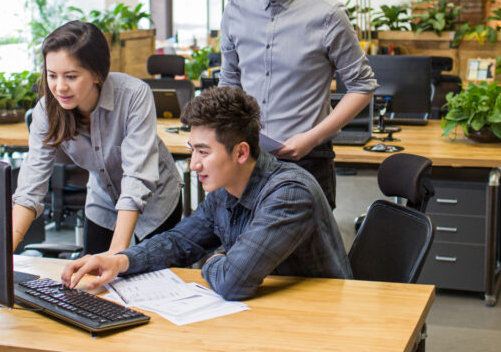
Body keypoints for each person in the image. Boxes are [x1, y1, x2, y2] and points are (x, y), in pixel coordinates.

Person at [60, 86, 351, 301]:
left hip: (319, 317)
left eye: (203, 152)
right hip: (269, 310)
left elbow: (233, 282)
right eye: (192, 150)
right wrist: (121, 260)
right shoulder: (225, 190)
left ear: (241, 152)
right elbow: (179, 241)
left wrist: (214, 257)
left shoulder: (289, 194)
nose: (193, 164)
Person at [219, 0, 378, 208]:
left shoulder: (327, 14)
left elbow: (362, 86)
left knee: (304, 255)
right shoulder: (235, 10)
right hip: (246, 158)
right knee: (244, 251)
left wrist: (313, 138)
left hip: (307, 160)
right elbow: (229, 79)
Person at [12, 20, 182, 255]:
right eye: (52, 75)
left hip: (155, 198)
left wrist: (115, 256)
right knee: (93, 279)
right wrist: (6, 250)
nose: (60, 87)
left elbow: (136, 178)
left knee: (156, 277)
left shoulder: (133, 95)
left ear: (96, 74)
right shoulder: (47, 110)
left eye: (71, 76)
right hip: (103, 196)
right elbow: (31, 184)